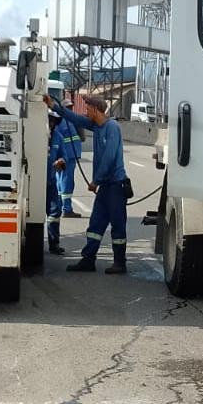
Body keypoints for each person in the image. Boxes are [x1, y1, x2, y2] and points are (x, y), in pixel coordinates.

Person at [44, 92, 128, 274]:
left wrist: (96, 181)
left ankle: (120, 262)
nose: (86, 111)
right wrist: (54, 106)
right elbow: (74, 118)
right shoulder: (97, 127)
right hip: (106, 186)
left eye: (89, 108)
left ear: (97, 110)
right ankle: (88, 259)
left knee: (117, 224)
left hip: (115, 186)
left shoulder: (111, 127)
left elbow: (109, 157)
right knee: (95, 225)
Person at [45, 113, 70, 255]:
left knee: (55, 212)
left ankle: (54, 244)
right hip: (35, 184)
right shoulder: (35, 135)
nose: (51, 123)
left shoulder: (58, 138)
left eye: (53, 121)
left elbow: (64, 155)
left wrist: (61, 161)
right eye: (49, 120)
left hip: (51, 182)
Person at [53, 103, 83, 218]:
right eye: (68, 108)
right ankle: (67, 208)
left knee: (61, 180)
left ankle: (61, 207)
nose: (71, 109)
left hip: (67, 154)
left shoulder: (65, 121)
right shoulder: (62, 121)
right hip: (67, 155)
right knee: (66, 181)